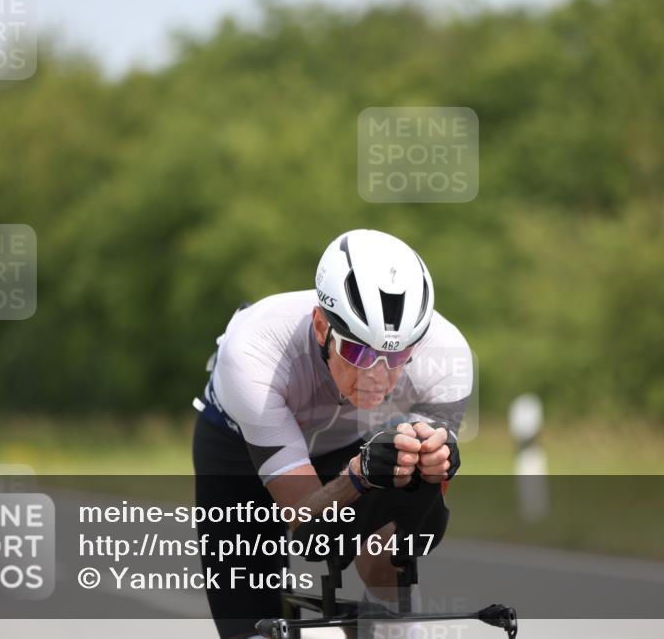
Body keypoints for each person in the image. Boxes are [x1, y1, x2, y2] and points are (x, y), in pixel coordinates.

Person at [192, 229, 469, 639]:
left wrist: (433, 464)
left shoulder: (445, 354)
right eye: (358, 352)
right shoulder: (253, 352)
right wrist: (358, 476)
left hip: (348, 438)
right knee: (251, 622)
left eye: (396, 356)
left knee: (392, 547)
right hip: (237, 448)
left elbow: (418, 519)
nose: (377, 376)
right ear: (321, 327)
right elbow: (308, 526)